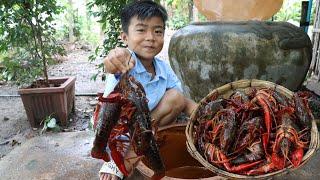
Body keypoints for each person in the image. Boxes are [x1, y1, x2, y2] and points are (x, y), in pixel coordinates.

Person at [99, 1, 197, 179]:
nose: (151, 37)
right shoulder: (126, 62)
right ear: (125, 37)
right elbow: (113, 61)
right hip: (121, 132)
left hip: (147, 126)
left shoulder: (163, 68)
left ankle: (144, 145)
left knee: (176, 97)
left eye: (157, 31)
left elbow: (184, 102)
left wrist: (206, 116)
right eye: (141, 30)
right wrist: (114, 57)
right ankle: (120, 158)